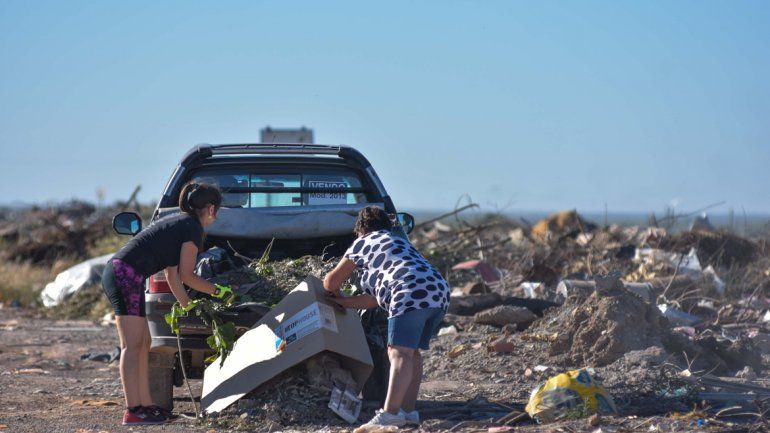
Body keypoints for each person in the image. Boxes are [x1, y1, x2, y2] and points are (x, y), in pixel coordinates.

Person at [101, 182, 233, 425]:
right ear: (212, 209)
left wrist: (187, 305)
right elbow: (187, 276)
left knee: (144, 342)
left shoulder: (182, 223)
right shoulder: (192, 228)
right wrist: (218, 291)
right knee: (132, 345)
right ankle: (133, 410)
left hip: (125, 275)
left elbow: (173, 276)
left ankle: (147, 406)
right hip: (124, 275)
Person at [323, 206, 450, 428]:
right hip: (438, 292)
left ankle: (389, 413)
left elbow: (331, 283)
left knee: (397, 352)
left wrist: (332, 291)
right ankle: (408, 412)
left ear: (360, 229)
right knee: (412, 353)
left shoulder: (364, 242)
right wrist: (346, 303)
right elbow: (376, 299)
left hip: (409, 291)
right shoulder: (399, 242)